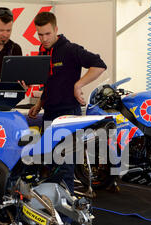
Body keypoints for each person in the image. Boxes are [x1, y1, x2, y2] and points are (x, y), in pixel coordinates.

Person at [28, 11, 107, 195]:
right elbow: (50, 82)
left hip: (68, 115)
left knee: (64, 168)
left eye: (47, 33)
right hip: (49, 114)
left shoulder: (70, 49)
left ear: (56, 29)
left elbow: (99, 65)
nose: (44, 38)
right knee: (50, 165)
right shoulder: (43, 51)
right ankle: (54, 210)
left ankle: (66, 219)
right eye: (40, 34)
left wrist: (78, 85)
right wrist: (39, 104)